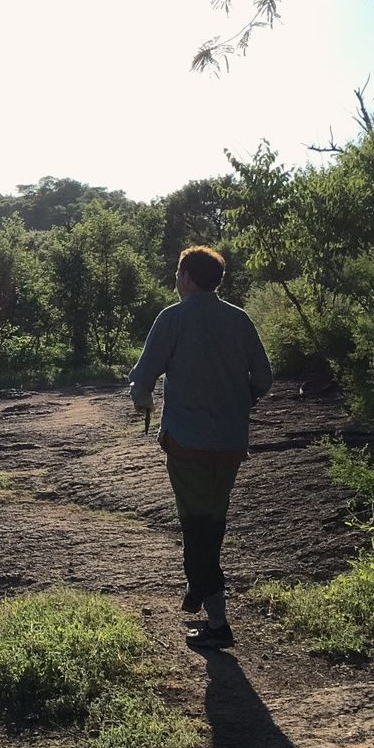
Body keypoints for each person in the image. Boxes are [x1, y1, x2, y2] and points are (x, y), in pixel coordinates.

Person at [130, 245, 273, 648]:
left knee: (196, 529)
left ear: (187, 277)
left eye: (178, 275)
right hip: (230, 445)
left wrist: (144, 400)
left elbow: (143, 377)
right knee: (213, 521)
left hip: (187, 443)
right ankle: (199, 588)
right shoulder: (239, 318)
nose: (176, 281)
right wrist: (238, 401)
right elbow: (263, 377)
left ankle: (218, 623)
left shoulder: (172, 318)